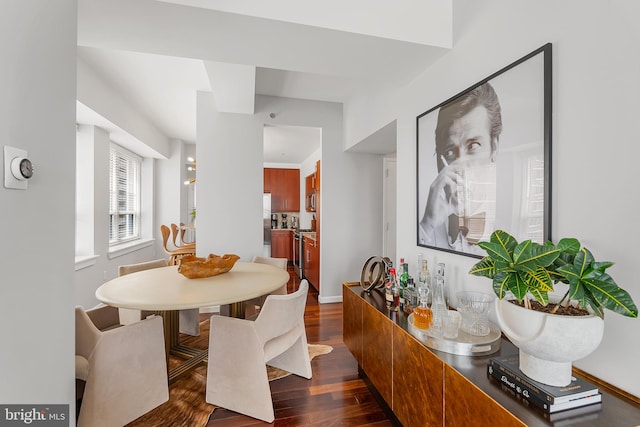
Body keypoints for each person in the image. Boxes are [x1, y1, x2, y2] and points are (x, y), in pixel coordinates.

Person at [419, 82, 502, 254]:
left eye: (473, 146)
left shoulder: (508, 237)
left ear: (494, 147)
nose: (460, 166)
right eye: (450, 151)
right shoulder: (427, 230)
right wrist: (427, 224)